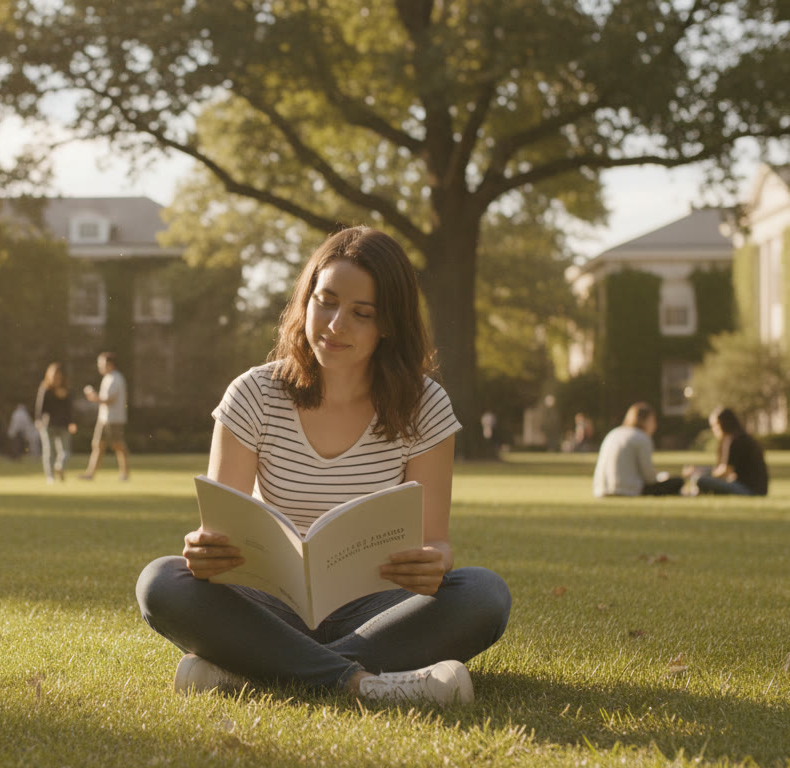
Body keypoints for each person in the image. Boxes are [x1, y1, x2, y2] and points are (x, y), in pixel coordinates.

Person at [135, 226, 511, 705]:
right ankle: (360, 684)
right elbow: (221, 531)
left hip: (379, 606)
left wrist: (436, 560)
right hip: (268, 603)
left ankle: (258, 669)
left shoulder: (425, 405)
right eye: (326, 301)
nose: (335, 325)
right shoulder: (253, 395)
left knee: (483, 594)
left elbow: (434, 540)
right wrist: (205, 551)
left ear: (388, 324)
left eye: (361, 313)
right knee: (162, 582)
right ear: (305, 301)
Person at [591, 403, 681, 496]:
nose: (655, 425)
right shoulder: (642, 437)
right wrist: (661, 477)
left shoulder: (613, 433)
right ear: (646, 421)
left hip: (601, 489)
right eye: (653, 420)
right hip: (629, 489)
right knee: (678, 482)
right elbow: (649, 477)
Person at [688, 407, 769, 496]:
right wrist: (701, 470)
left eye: (715, 425)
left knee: (699, 480)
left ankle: (693, 492)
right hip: (756, 489)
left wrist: (702, 474)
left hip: (748, 490)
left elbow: (725, 471)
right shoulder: (741, 438)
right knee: (702, 479)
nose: (713, 429)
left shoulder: (735, 441)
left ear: (723, 424)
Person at [79, 351, 130, 481]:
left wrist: (94, 397)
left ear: (110, 364)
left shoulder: (116, 378)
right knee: (97, 445)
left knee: (118, 445)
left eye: (102, 364)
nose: (99, 366)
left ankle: (125, 473)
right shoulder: (107, 378)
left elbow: (110, 399)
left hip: (114, 419)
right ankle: (90, 473)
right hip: (103, 418)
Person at [35, 362, 77, 482]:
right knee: (49, 451)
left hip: (64, 424)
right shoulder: (45, 389)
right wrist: (38, 419)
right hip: (49, 424)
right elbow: (40, 407)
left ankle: (59, 466)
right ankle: (50, 476)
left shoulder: (67, 390)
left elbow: (70, 408)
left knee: (66, 452)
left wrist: (72, 422)